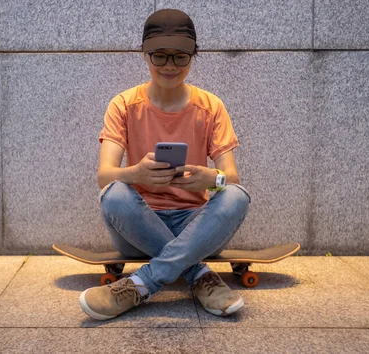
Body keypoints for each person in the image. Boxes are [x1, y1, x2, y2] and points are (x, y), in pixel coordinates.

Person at [79, 8, 251, 320]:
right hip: (138, 226)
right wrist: (136, 174)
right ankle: (200, 276)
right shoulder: (123, 105)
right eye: (159, 55)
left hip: (196, 225)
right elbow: (104, 176)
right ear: (145, 55)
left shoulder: (211, 107)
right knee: (115, 193)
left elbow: (232, 179)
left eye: (180, 56)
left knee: (236, 195)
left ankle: (141, 283)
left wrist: (212, 179)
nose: (169, 66)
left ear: (192, 57)